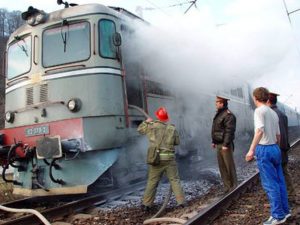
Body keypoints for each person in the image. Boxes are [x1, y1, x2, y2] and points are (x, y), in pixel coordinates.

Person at [246, 87, 290, 225]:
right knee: (279, 181)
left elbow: (259, 131)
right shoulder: (273, 112)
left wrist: (251, 150)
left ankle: (277, 215)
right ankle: (285, 211)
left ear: (255, 98)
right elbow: (278, 136)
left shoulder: (259, 111)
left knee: (270, 184)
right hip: (275, 148)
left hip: (264, 149)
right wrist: (274, 146)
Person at [137, 107, 185, 210]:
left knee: (152, 181)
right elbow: (177, 142)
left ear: (157, 117)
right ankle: (181, 203)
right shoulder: (172, 128)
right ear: (166, 118)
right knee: (174, 180)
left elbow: (140, 130)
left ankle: (146, 205)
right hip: (169, 159)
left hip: (156, 159)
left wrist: (146, 122)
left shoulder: (151, 126)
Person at [267, 92, 295, 202]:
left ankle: (289, 196)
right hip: (282, 147)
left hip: (277, 147)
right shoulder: (281, 113)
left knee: (280, 172)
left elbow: (277, 133)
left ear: (268, 101)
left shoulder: (271, 114)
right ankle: (290, 195)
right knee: (283, 171)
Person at [211, 95, 237, 193]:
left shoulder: (228, 115)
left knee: (229, 166)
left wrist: (226, 144)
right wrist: (214, 141)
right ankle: (227, 187)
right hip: (219, 144)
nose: (216, 103)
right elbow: (216, 130)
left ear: (222, 103)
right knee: (222, 167)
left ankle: (234, 186)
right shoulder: (219, 114)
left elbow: (229, 131)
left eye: (217, 102)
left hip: (225, 145)